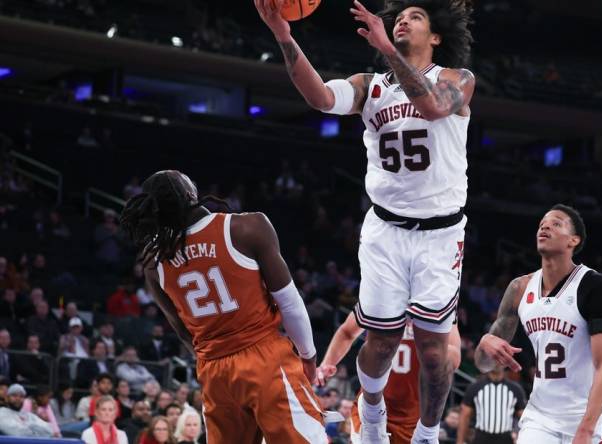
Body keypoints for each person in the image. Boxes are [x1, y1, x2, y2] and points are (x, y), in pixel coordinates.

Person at [255, 0, 475, 442]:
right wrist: (283, 34)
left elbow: (433, 108)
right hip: (385, 231)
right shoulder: (370, 86)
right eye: (398, 17)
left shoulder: (456, 79)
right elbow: (318, 97)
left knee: (435, 354)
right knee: (381, 343)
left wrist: (388, 51)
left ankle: (428, 434)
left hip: (440, 234)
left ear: (435, 37)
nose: (401, 21)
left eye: (415, 17)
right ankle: (370, 411)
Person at [120, 170, 325, 443]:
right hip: (263, 357)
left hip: (213, 369)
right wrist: (308, 357)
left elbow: (182, 330)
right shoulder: (246, 226)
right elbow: (289, 301)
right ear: (190, 192)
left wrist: (215, 357)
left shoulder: (153, 262)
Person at [475, 205, 602, 444]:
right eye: (542, 223)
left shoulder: (593, 285)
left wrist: (586, 429)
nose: (546, 226)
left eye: (556, 223)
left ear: (574, 240)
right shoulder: (519, 289)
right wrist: (485, 342)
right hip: (540, 416)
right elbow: (483, 364)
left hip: (584, 415)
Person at [317, 314, 461, 444]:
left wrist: (426, 337)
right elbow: (347, 332)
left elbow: (454, 359)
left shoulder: (439, 303)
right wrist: (326, 364)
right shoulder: (381, 293)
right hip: (371, 409)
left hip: (413, 416)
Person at [457, 366, 526, 444]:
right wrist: (460, 441)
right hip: (482, 438)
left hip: (505, 438)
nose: (496, 363)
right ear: (488, 361)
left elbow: (523, 418)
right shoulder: (475, 387)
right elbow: (464, 416)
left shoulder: (515, 389)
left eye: (499, 360)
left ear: (505, 364)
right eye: (494, 359)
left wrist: (518, 434)